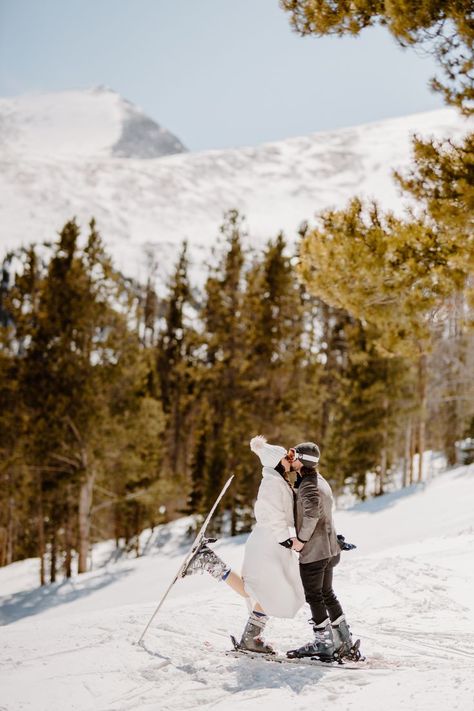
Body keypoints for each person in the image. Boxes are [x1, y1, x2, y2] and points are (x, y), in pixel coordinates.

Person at [183, 435, 305, 653]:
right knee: (269, 590)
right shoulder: (271, 484)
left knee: (257, 590)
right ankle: (251, 638)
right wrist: (286, 538)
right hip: (269, 543)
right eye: (286, 457)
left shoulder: (277, 481)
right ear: (277, 461)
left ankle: (209, 561)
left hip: (270, 543)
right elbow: (272, 516)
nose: (289, 460)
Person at [286, 441, 356, 660]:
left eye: (293, 454)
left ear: (303, 459)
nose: (290, 458)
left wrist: (300, 540)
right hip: (330, 550)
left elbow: (312, 514)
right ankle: (344, 641)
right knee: (326, 593)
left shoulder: (308, 485)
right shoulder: (320, 480)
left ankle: (323, 644)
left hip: (315, 551)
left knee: (314, 596)